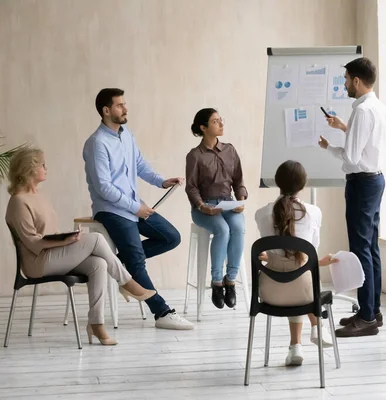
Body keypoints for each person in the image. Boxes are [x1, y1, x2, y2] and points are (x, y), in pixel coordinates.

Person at [5, 148, 156, 345]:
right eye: (42, 165)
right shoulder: (18, 201)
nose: (46, 168)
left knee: (99, 264)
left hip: (53, 254)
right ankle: (126, 283)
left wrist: (66, 238)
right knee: (95, 239)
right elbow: (33, 243)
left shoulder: (39, 196)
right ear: (30, 169)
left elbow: (49, 232)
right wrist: (65, 241)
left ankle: (96, 324)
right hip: (37, 262)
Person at [83, 88, 194, 330]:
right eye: (120, 105)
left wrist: (161, 181)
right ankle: (162, 312)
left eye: (124, 104)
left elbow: (140, 164)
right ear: (106, 111)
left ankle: (119, 265)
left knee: (171, 237)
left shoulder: (126, 135)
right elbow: (104, 188)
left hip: (133, 207)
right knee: (137, 262)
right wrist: (135, 208)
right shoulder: (96, 143)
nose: (125, 108)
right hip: (111, 210)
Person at [318, 57, 386, 337]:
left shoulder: (362, 111)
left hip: (361, 183)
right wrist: (343, 128)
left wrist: (329, 147)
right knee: (370, 248)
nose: (345, 84)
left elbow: (351, 157)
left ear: (357, 81)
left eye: (347, 79)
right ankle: (372, 310)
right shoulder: (379, 107)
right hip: (375, 180)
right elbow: (367, 143)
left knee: (362, 250)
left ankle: (367, 318)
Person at [255, 160, 338, 366]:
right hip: (304, 292)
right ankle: (318, 325)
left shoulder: (261, 214)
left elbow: (278, 248)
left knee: (292, 276)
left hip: (268, 292)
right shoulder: (313, 212)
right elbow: (310, 250)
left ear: (276, 182)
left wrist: (273, 257)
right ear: (303, 185)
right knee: (301, 277)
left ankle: (295, 347)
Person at [185, 108, 247, 309]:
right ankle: (217, 282)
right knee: (223, 230)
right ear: (203, 128)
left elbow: (238, 180)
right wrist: (203, 206)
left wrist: (240, 199)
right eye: (215, 121)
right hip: (204, 207)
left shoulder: (230, 150)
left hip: (228, 203)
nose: (221, 124)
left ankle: (231, 281)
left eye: (221, 120)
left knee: (238, 229)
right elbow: (191, 187)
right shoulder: (195, 155)